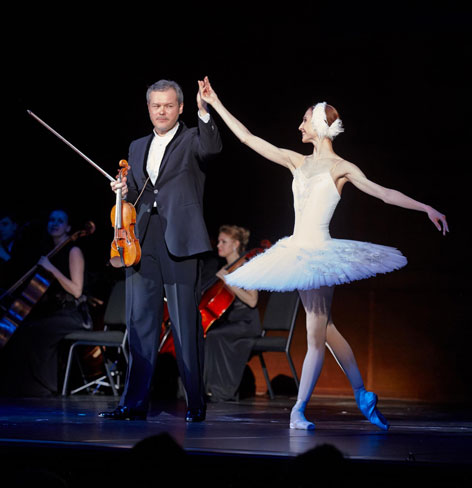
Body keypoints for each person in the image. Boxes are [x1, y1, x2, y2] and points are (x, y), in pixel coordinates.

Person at [198, 76, 448, 430]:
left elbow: (383, 193)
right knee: (326, 328)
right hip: (296, 251)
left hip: (319, 255)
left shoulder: (341, 168)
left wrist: (425, 208)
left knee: (315, 336)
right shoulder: (296, 161)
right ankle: (361, 393)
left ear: (318, 125)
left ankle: (298, 410)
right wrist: (216, 103)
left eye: (304, 121)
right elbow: (248, 138)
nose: (299, 126)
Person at [100, 79, 222, 422]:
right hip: (142, 239)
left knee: (185, 323)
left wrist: (204, 110)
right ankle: (134, 403)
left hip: (181, 239)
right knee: (140, 321)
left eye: (169, 105)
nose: (162, 111)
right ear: (148, 108)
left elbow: (212, 148)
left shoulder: (193, 138)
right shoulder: (137, 146)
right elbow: (136, 190)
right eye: (156, 106)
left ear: (180, 107)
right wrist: (122, 189)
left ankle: (195, 402)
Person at [0, 209, 89, 397]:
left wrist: (51, 269)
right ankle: (23, 387)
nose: (54, 223)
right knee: (24, 329)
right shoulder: (48, 251)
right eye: (51, 220)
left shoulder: (73, 251)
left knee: (36, 332)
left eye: (60, 221)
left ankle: (45, 387)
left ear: (68, 227)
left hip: (73, 315)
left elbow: (77, 290)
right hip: (54, 312)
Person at [203, 225, 261, 402]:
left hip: (247, 323)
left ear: (236, 244)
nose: (218, 245)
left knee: (214, 336)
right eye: (219, 241)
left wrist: (229, 282)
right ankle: (204, 387)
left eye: (223, 242)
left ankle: (220, 390)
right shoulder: (225, 268)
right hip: (232, 322)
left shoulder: (246, 267)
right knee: (206, 334)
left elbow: (252, 300)